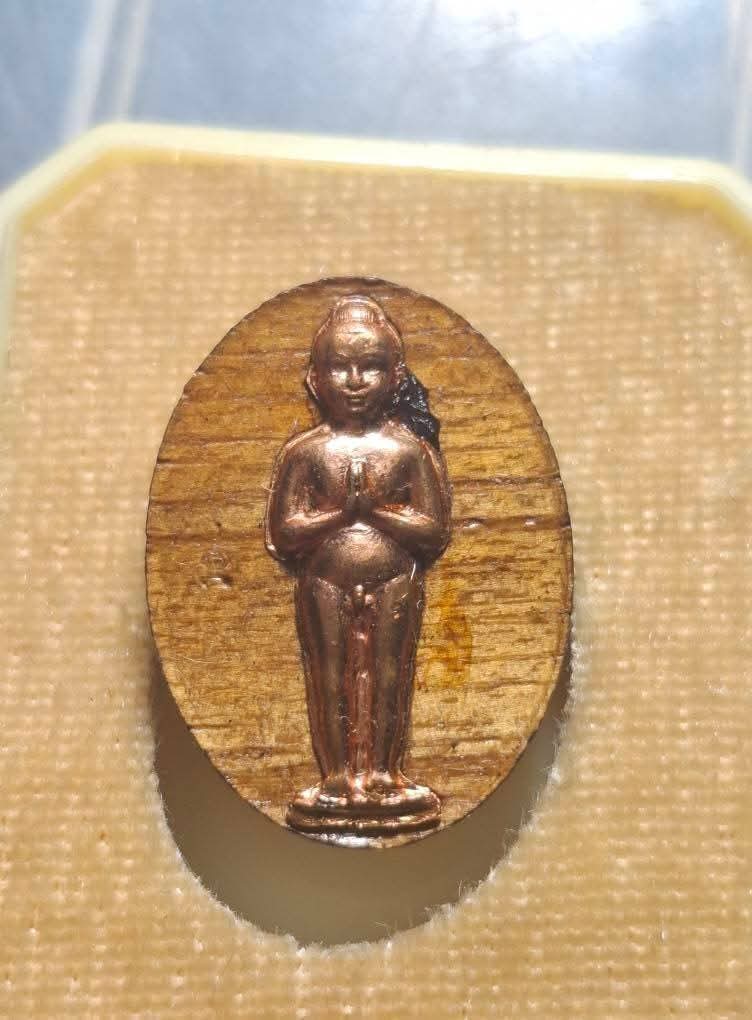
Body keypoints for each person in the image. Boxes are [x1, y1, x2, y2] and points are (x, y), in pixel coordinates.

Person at [265, 294, 451, 836]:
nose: (354, 381)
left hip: (394, 576)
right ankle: (337, 778)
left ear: (395, 377)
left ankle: (386, 774)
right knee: (330, 675)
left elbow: (433, 531)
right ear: (314, 378)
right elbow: (284, 533)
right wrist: (340, 514)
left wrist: (375, 512)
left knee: (389, 673)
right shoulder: (306, 452)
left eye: (370, 366)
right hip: (324, 578)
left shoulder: (408, 451)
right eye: (338, 367)